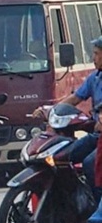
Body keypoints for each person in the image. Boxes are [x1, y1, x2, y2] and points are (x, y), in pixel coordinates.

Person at [34, 36, 102, 190]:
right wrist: (50, 110)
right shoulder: (95, 78)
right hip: (97, 135)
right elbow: (75, 98)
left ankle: (99, 206)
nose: (93, 58)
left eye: (97, 54)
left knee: (91, 163)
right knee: (64, 155)